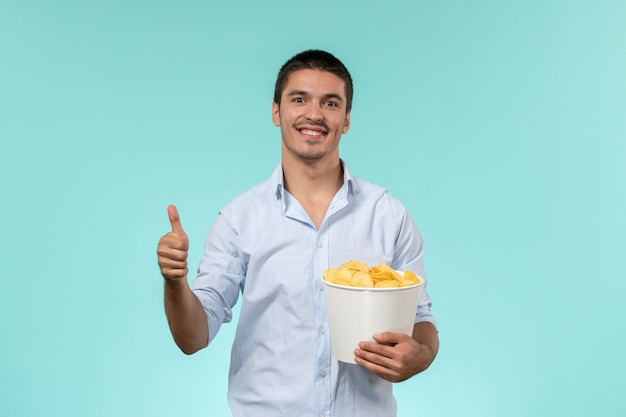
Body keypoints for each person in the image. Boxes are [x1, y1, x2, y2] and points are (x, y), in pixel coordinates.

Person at [157, 49, 439, 417]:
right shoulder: (239, 220)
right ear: (276, 112)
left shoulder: (389, 215)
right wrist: (175, 282)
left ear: (347, 119)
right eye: (299, 99)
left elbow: (421, 319)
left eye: (331, 103)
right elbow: (193, 338)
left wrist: (420, 354)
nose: (314, 114)